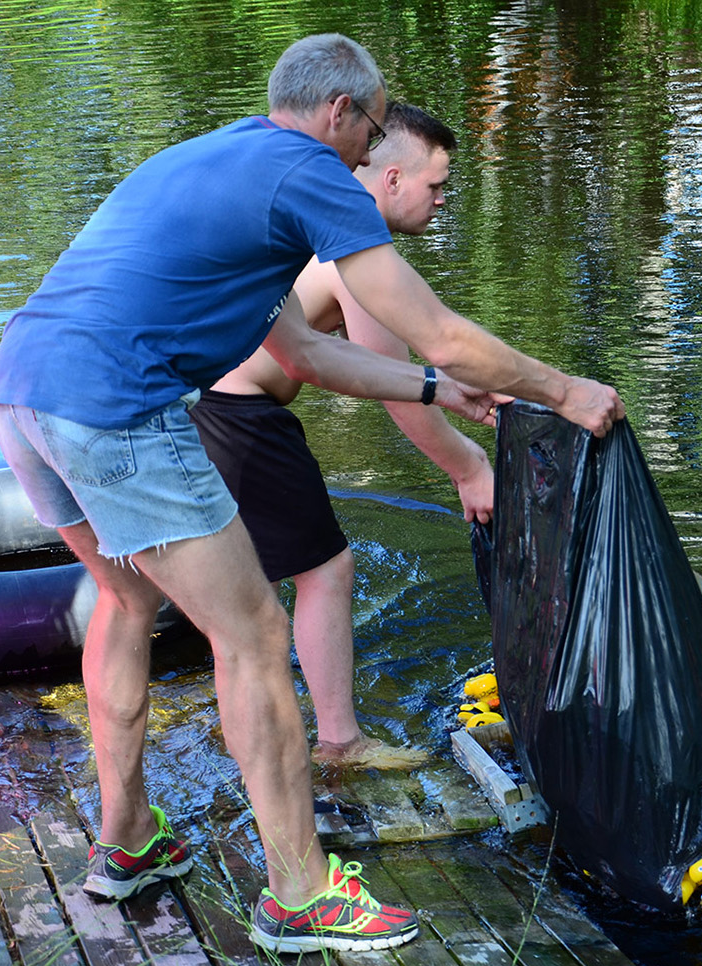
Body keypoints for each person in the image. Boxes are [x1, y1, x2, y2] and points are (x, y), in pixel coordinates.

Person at [0, 34, 623, 954]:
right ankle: (300, 893)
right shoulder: (312, 171)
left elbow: (310, 353)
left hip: (25, 393)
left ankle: (124, 842)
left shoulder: (223, 161)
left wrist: (445, 396)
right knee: (253, 637)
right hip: (116, 402)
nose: (372, 150)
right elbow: (436, 330)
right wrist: (564, 391)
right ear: (340, 113)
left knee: (126, 601)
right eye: (371, 127)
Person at [190, 101, 488, 769]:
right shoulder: (350, 247)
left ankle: (234, 722)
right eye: (436, 186)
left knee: (251, 584)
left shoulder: (313, 215)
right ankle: (340, 742)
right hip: (239, 413)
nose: (442, 202)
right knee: (326, 569)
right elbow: (392, 384)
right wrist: (468, 469)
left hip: (197, 403)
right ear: (390, 181)